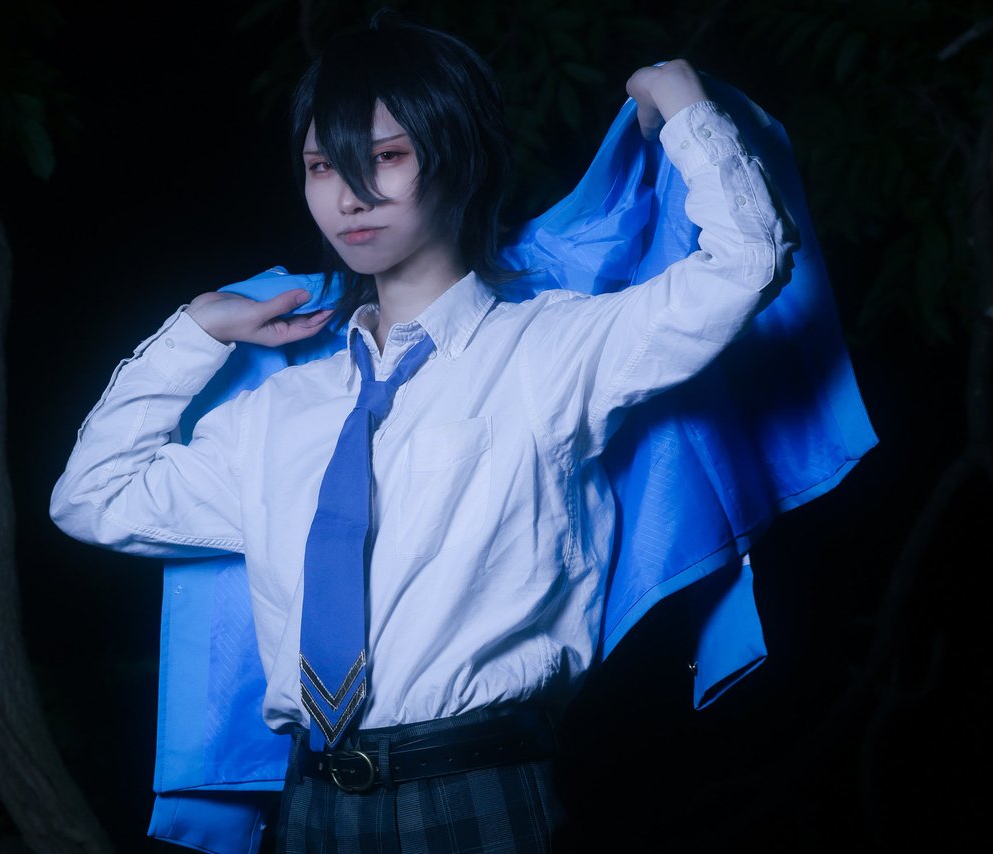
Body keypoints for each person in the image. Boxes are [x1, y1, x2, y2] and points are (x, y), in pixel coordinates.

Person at [50, 15, 800, 853]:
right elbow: (92, 499)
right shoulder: (279, 411)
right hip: (313, 804)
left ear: (459, 157)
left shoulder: (550, 351)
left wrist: (683, 103)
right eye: (323, 166)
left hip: (482, 791)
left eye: (386, 156)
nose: (349, 196)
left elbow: (747, 263)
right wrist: (194, 331)